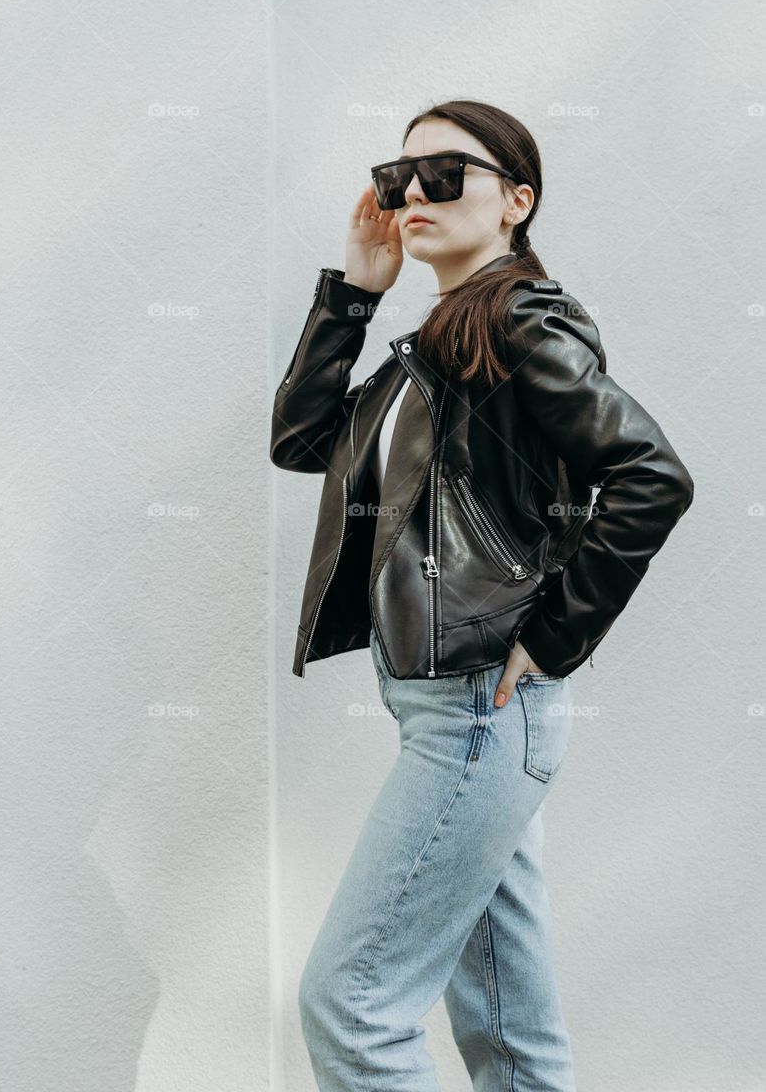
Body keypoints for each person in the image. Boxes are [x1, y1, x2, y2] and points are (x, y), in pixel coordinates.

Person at [270, 99, 694, 1091]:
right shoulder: (438, 341)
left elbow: (650, 475)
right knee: (509, 1037)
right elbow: (299, 442)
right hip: (456, 710)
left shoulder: (517, 318)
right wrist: (351, 292)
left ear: (516, 200)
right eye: (395, 176)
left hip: (477, 710)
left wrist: (553, 636)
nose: (410, 193)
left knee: (351, 1005)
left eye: (442, 173)